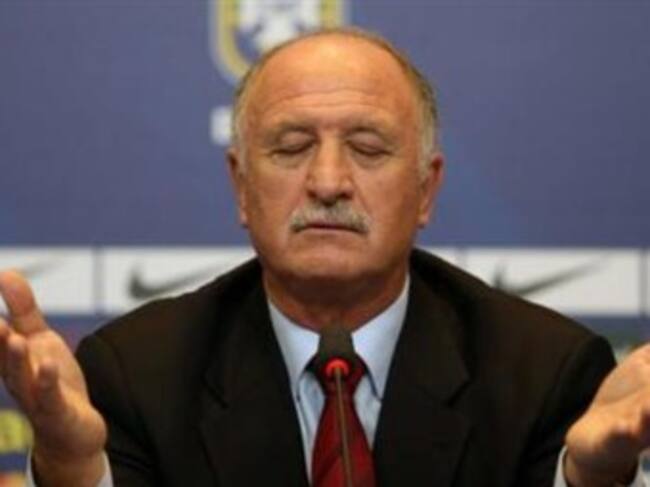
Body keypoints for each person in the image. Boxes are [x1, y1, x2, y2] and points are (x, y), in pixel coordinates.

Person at [1, 27, 649, 486]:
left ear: (426, 189)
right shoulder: (138, 374)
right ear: (241, 187)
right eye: (291, 148)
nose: (329, 182)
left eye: (367, 148)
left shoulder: (544, 372)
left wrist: (589, 483)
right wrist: (73, 470)